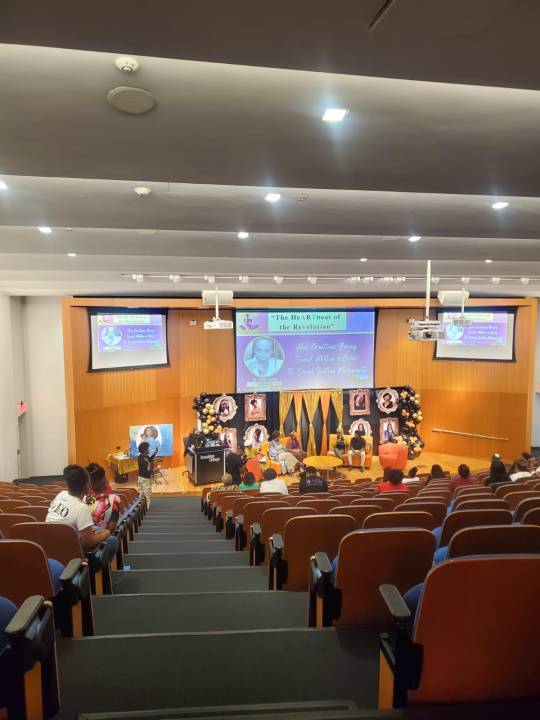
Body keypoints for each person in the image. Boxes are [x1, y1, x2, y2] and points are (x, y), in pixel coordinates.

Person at [46, 465, 112, 552]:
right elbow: (88, 542)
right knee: (112, 540)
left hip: (50, 545)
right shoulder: (82, 508)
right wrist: (106, 533)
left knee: (97, 529)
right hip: (70, 551)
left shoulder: (61, 494)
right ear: (86, 486)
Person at [137, 441, 157, 508]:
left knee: (141, 493)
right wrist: (154, 470)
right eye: (148, 448)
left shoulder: (144, 456)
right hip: (144, 478)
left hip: (141, 477)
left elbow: (149, 460)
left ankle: (139, 508)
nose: (149, 450)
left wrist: (154, 454)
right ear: (145, 450)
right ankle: (147, 509)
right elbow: (145, 471)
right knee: (147, 494)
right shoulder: (142, 459)